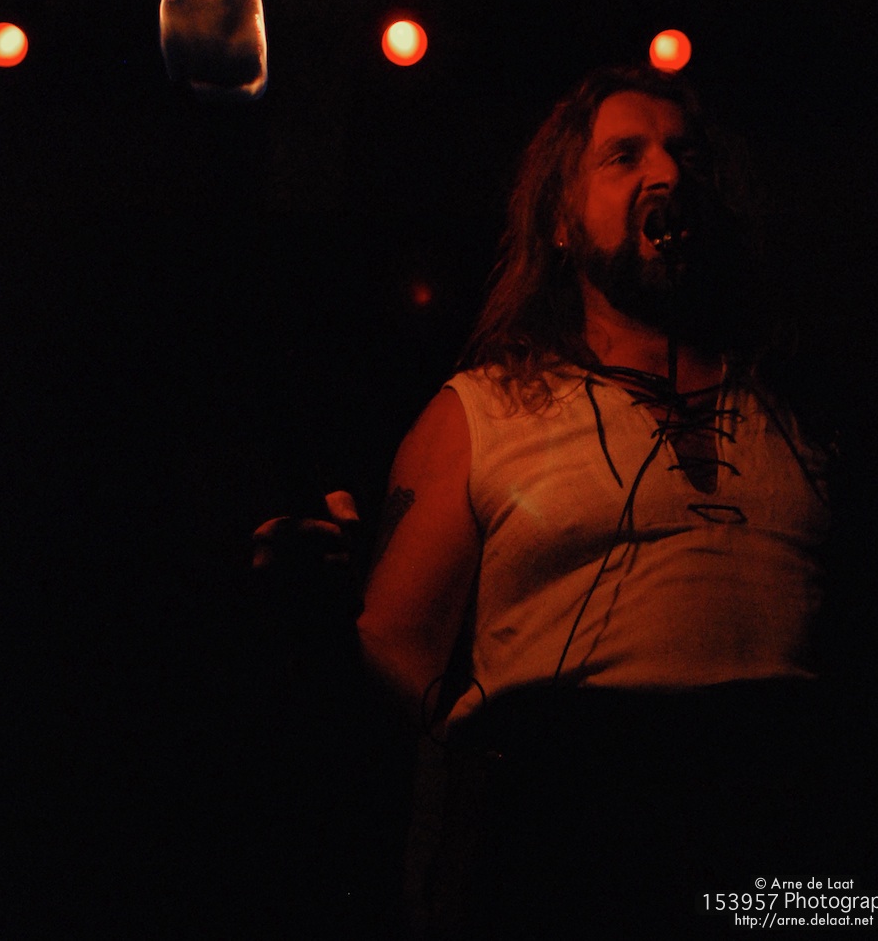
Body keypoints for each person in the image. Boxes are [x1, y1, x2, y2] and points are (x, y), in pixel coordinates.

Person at [257, 63, 833, 939]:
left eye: (684, 155)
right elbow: (391, 630)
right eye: (624, 156)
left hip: (780, 824)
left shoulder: (798, 410)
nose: (665, 173)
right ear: (561, 221)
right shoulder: (483, 409)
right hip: (578, 834)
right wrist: (497, 753)